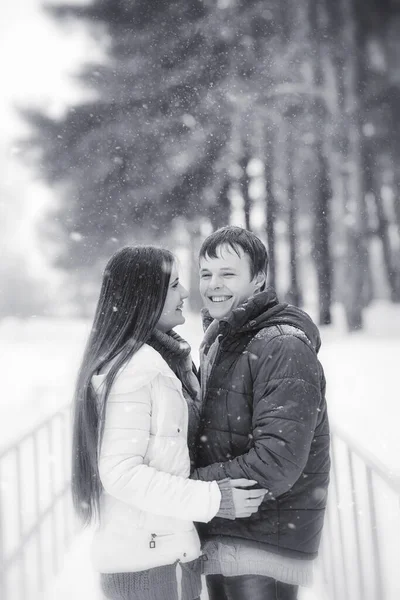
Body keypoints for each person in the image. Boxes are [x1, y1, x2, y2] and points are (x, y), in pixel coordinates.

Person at [71, 245, 266, 600]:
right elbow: (120, 473)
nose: (187, 293)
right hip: (152, 564)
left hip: (164, 556)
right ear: (144, 296)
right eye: (174, 285)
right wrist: (212, 499)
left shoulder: (163, 360)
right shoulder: (136, 368)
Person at [192, 226, 330, 600]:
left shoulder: (281, 345)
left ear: (259, 279)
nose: (213, 285)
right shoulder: (223, 341)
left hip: (264, 540)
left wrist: (192, 485)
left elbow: (277, 461)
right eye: (206, 273)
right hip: (228, 531)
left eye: (228, 273)